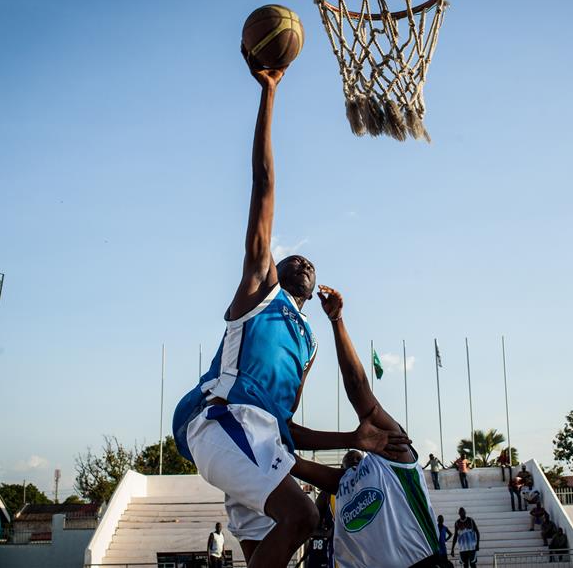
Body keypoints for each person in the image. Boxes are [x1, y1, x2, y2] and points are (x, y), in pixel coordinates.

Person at [170, 58, 405, 567]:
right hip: (219, 419)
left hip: (257, 438)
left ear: (315, 286)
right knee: (304, 517)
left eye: (309, 263)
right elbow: (263, 187)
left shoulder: (309, 343)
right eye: (292, 256)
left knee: (269, 547)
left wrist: (352, 438)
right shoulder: (260, 287)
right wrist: (269, 94)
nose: (300, 261)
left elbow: (285, 427)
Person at [286, 285, 448, 568]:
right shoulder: (340, 484)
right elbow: (285, 449)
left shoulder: (394, 453)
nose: (352, 454)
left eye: (356, 450)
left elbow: (358, 386)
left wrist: (337, 322)